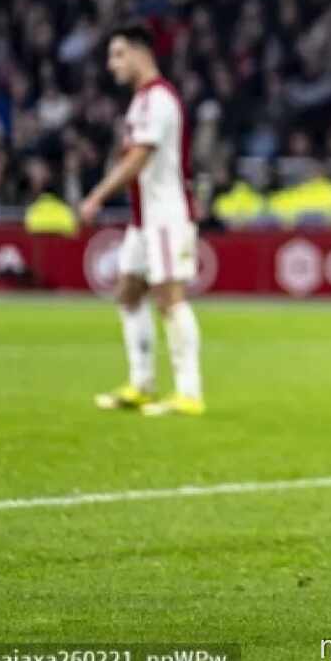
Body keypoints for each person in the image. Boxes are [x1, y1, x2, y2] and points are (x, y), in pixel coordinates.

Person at [79, 23, 205, 417]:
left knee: (169, 299)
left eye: (117, 55)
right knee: (129, 293)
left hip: (166, 215)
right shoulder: (140, 101)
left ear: (140, 53)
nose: (111, 64)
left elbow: (138, 159)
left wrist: (97, 195)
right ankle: (143, 384)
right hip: (143, 219)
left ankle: (189, 392)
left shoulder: (159, 99)